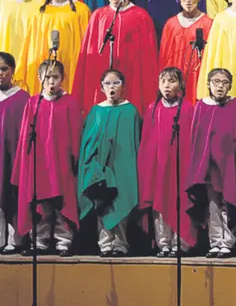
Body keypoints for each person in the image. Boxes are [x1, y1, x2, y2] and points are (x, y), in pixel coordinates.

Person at [12, 60, 81, 256]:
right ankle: (39, 241)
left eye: (56, 77)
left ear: (62, 78)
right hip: (39, 162)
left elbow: (75, 134)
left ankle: (63, 242)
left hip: (62, 162)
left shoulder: (70, 102)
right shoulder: (33, 102)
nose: (51, 82)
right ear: (40, 78)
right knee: (40, 202)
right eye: (47, 77)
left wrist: (75, 159)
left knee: (62, 203)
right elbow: (26, 136)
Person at [73, 0, 158, 114]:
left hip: (132, 73)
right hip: (103, 71)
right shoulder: (98, 16)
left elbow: (149, 57)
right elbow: (89, 54)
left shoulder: (141, 16)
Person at [78, 69, 139, 257]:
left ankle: (120, 243)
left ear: (123, 86)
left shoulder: (131, 111)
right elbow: (88, 141)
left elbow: (135, 141)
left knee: (121, 200)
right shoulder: (96, 111)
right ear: (101, 87)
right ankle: (105, 243)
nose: (112, 87)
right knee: (102, 202)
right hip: (100, 167)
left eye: (116, 83)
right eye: (108, 84)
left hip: (123, 165)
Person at [187, 67, 236, 259]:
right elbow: (197, 137)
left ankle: (228, 242)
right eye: (216, 82)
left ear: (230, 86)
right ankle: (215, 242)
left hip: (229, 163)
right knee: (212, 204)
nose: (220, 86)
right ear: (209, 84)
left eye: (224, 82)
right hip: (208, 164)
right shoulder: (201, 106)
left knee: (228, 202)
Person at [139, 67, 193, 256]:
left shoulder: (186, 108)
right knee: (160, 203)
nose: (167, 86)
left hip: (181, 164)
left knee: (180, 202)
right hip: (159, 166)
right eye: (163, 81)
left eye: (172, 81)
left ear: (180, 85)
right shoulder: (153, 109)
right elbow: (147, 141)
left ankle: (180, 243)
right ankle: (164, 243)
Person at [15, 0, 90, 94]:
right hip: (45, 66)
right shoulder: (40, 12)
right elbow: (31, 46)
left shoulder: (80, 10)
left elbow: (88, 44)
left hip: (71, 64)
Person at [159, 0, 212, 104]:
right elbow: (164, 57)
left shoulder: (208, 23)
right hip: (175, 79)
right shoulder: (171, 24)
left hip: (197, 77)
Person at [0, 52, 28, 254]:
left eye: (4, 69)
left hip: (13, 155)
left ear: (12, 71)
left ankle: (14, 238)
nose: (0, 73)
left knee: (12, 194)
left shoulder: (23, 99)